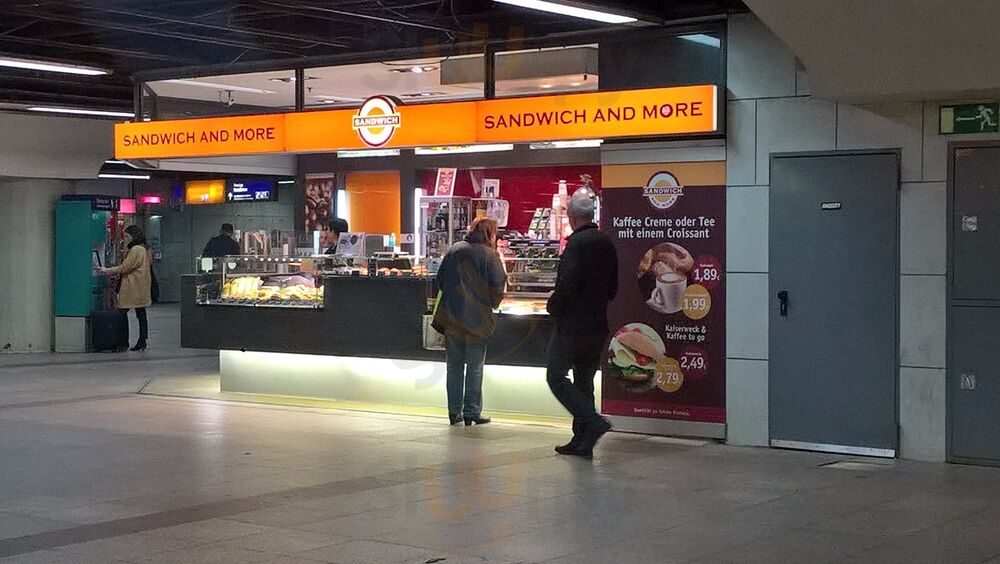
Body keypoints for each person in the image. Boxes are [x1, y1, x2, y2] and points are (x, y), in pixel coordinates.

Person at [546, 196, 618, 457]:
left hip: (572, 325)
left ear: (572, 218)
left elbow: (567, 284)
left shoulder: (575, 244)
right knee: (584, 380)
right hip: (597, 324)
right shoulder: (606, 242)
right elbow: (613, 289)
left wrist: (553, 305)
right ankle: (582, 440)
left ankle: (593, 421)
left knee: (556, 375)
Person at [433, 217, 507, 426]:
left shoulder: (455, 249)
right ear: (490, 234)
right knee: (475, 367)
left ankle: (453, 411)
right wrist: (492, 303)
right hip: (478, 319)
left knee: (453, 366)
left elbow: (440, 279)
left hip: (452, 316)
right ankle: (471, 412)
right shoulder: (490, 255)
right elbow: (498, 284)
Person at [99, 225, 152, 352]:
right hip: (141, 286)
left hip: (132, 287)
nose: (125, 239)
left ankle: (123, 342)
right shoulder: (143, 249)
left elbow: (125, 267)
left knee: (121, 313)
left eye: (127, 236)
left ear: (134, 236)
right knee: (141, 314)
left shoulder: (136, 250)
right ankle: (142, 341)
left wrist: (107, 270)